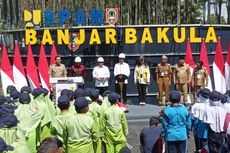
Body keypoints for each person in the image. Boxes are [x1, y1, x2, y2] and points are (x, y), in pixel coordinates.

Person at [191, 88, 210, 153]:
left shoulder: (196, 106)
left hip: (199, 129)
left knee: (199, 147)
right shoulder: (211, 105)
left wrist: (191, 128)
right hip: (210, 130)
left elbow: (192, 119)